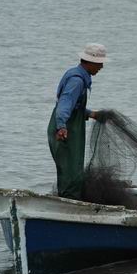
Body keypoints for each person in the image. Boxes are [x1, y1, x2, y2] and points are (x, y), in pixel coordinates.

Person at [47, 43, 109, 199]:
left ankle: (67, 200)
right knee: (71, 172)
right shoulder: (77, 81)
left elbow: (75, 107)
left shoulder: (77, 75)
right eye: (99, 63)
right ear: (89, 62)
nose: (101, 66)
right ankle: (69, 203)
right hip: (65, 130)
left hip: (68, 127)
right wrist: (62, 127)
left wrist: (91, 114)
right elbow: (64, 105)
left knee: (70, 169)